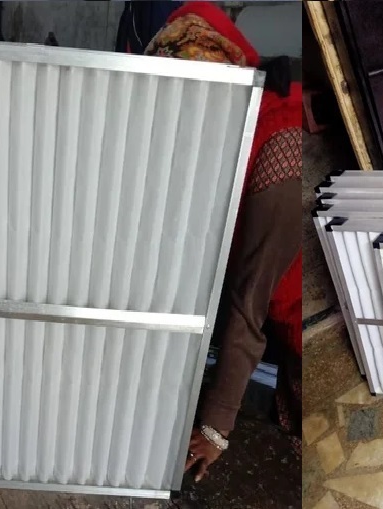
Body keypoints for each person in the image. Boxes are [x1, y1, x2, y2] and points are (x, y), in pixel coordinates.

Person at [144, 1, 303, 482]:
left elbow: (249, 300)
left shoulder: (280, 146)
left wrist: (216, 425)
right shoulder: (219, 134)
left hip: (296, 320)